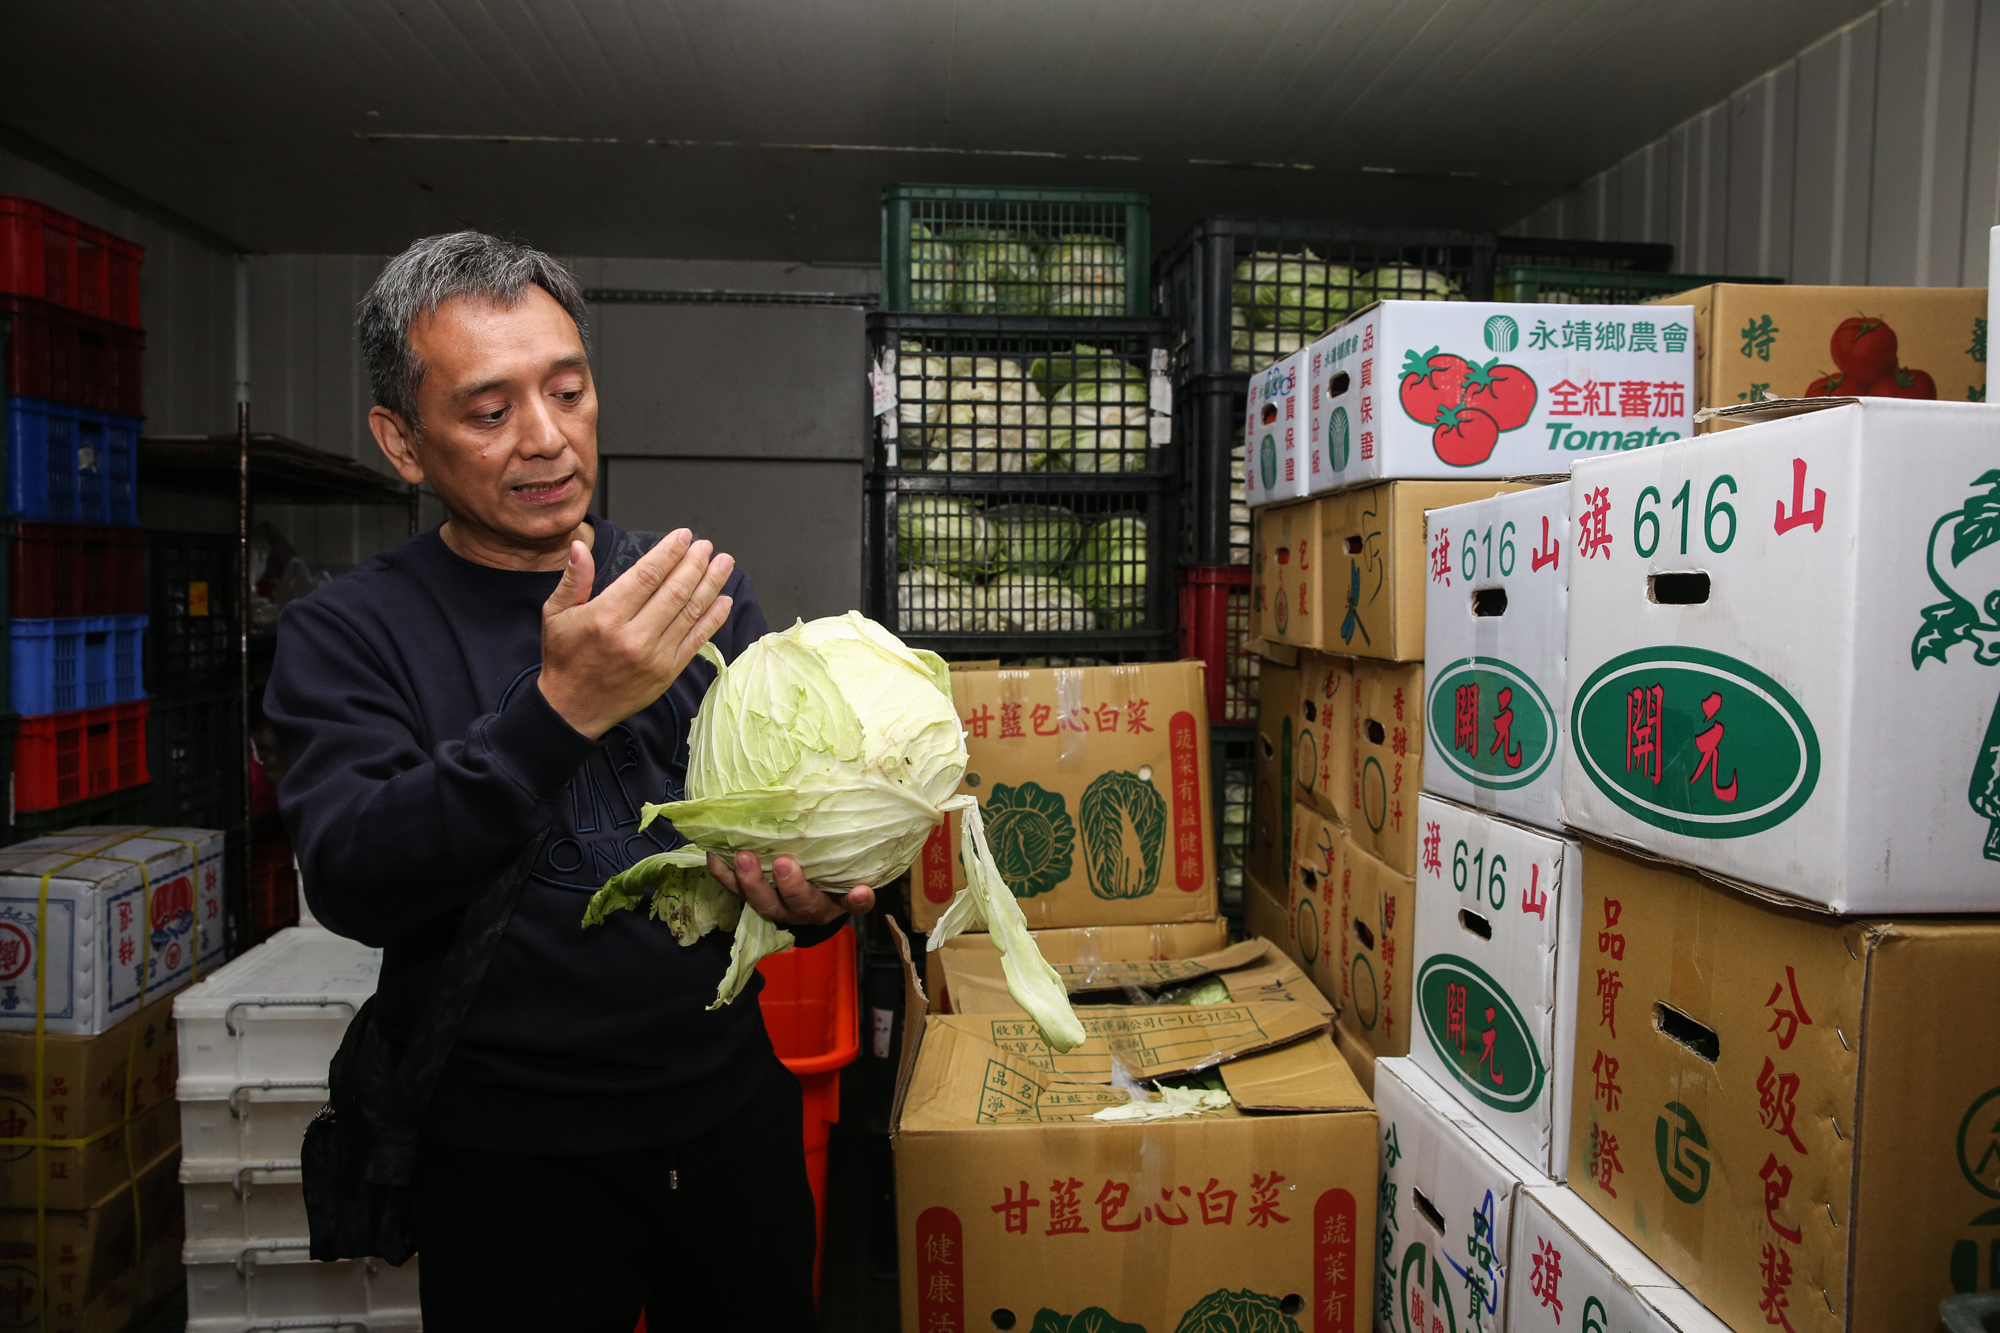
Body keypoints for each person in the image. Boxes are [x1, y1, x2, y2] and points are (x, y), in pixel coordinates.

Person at [264, 231, 867, 1332]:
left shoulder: (688, 591)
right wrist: (561, 710)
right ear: (402, 442)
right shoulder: (348, 631)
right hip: (508, 1165)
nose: (545, 438)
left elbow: (779, 828)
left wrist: (811, 899)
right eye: (489, 411)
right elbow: (353, 876)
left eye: (569, 391)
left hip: (728, 1117)